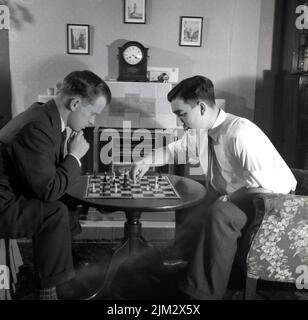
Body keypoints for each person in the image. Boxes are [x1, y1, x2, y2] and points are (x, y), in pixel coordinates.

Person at [130, 75, 297, 300]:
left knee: (220, 211)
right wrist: (145, 161)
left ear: (200, 107)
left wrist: (229, 199)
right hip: (239, 195)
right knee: (191, 193)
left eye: (182, 114)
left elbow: (272, 186)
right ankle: (186, 262)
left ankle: (204, 294)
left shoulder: (240, 132)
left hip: (272, 202)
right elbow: (173, 151)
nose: (180, 122)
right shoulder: (200, 134)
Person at [0, 70, 111, 300]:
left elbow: (48, 175)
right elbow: (49, 190)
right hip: (3, 205)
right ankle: (48, 292)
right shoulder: (37, 127)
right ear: (75, 103)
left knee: (67, 200)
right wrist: (75, 156)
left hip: (14, 191)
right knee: (54, 212)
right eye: (93, 113)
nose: (92, 121)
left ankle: (67, 264)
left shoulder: (46, 117)